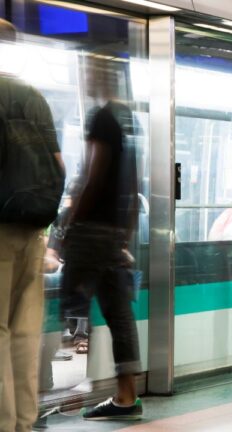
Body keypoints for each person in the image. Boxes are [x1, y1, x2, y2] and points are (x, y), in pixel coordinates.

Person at [62, 57, 142, 420]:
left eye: (89, 72)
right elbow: (135, 183)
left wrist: (68, 224)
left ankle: (66, 393)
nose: (86, 77)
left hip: (91, 229)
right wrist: (124, 234)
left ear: (99, 76)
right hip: (113, 233)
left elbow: (94, 175)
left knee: (71, 304)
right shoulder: (128, 121)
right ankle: (126, 396)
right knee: (118, 313)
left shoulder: (102, 118)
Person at [0, 19, 65, 432]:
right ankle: (23, 422)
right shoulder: (33, 95)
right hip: (32, 229)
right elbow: (57, 166)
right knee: (25, 330)